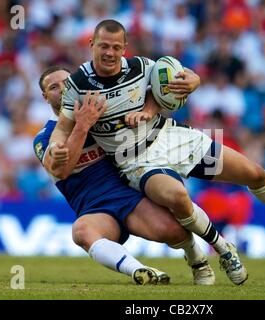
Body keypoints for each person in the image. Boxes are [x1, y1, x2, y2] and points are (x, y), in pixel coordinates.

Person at [52, 19, 265, 286]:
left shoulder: (140, 66)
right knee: (177, 195)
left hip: (174, 137)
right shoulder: (78, 84)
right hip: (135, 159)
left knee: (254, 173)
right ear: (92, 44)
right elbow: (63, 128)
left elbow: (179, 78)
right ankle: (224, 249)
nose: (110, 53)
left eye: (116, 47)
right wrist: (56, 146)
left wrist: (191, 83)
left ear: (124, 48)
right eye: (104, 46)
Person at [34, 66, 215, 286]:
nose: (62, 90)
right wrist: (82, 125)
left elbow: (157, 82)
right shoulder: (45, 139)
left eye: (66, 83)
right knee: (81, 232)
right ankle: (140, 271)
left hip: (132, 197)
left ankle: (197, 259)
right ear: (45, 97)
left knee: (175, 233)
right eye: (54, 87)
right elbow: (60, 170)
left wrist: (194, 78)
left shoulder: (106, 115)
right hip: (94, 208)